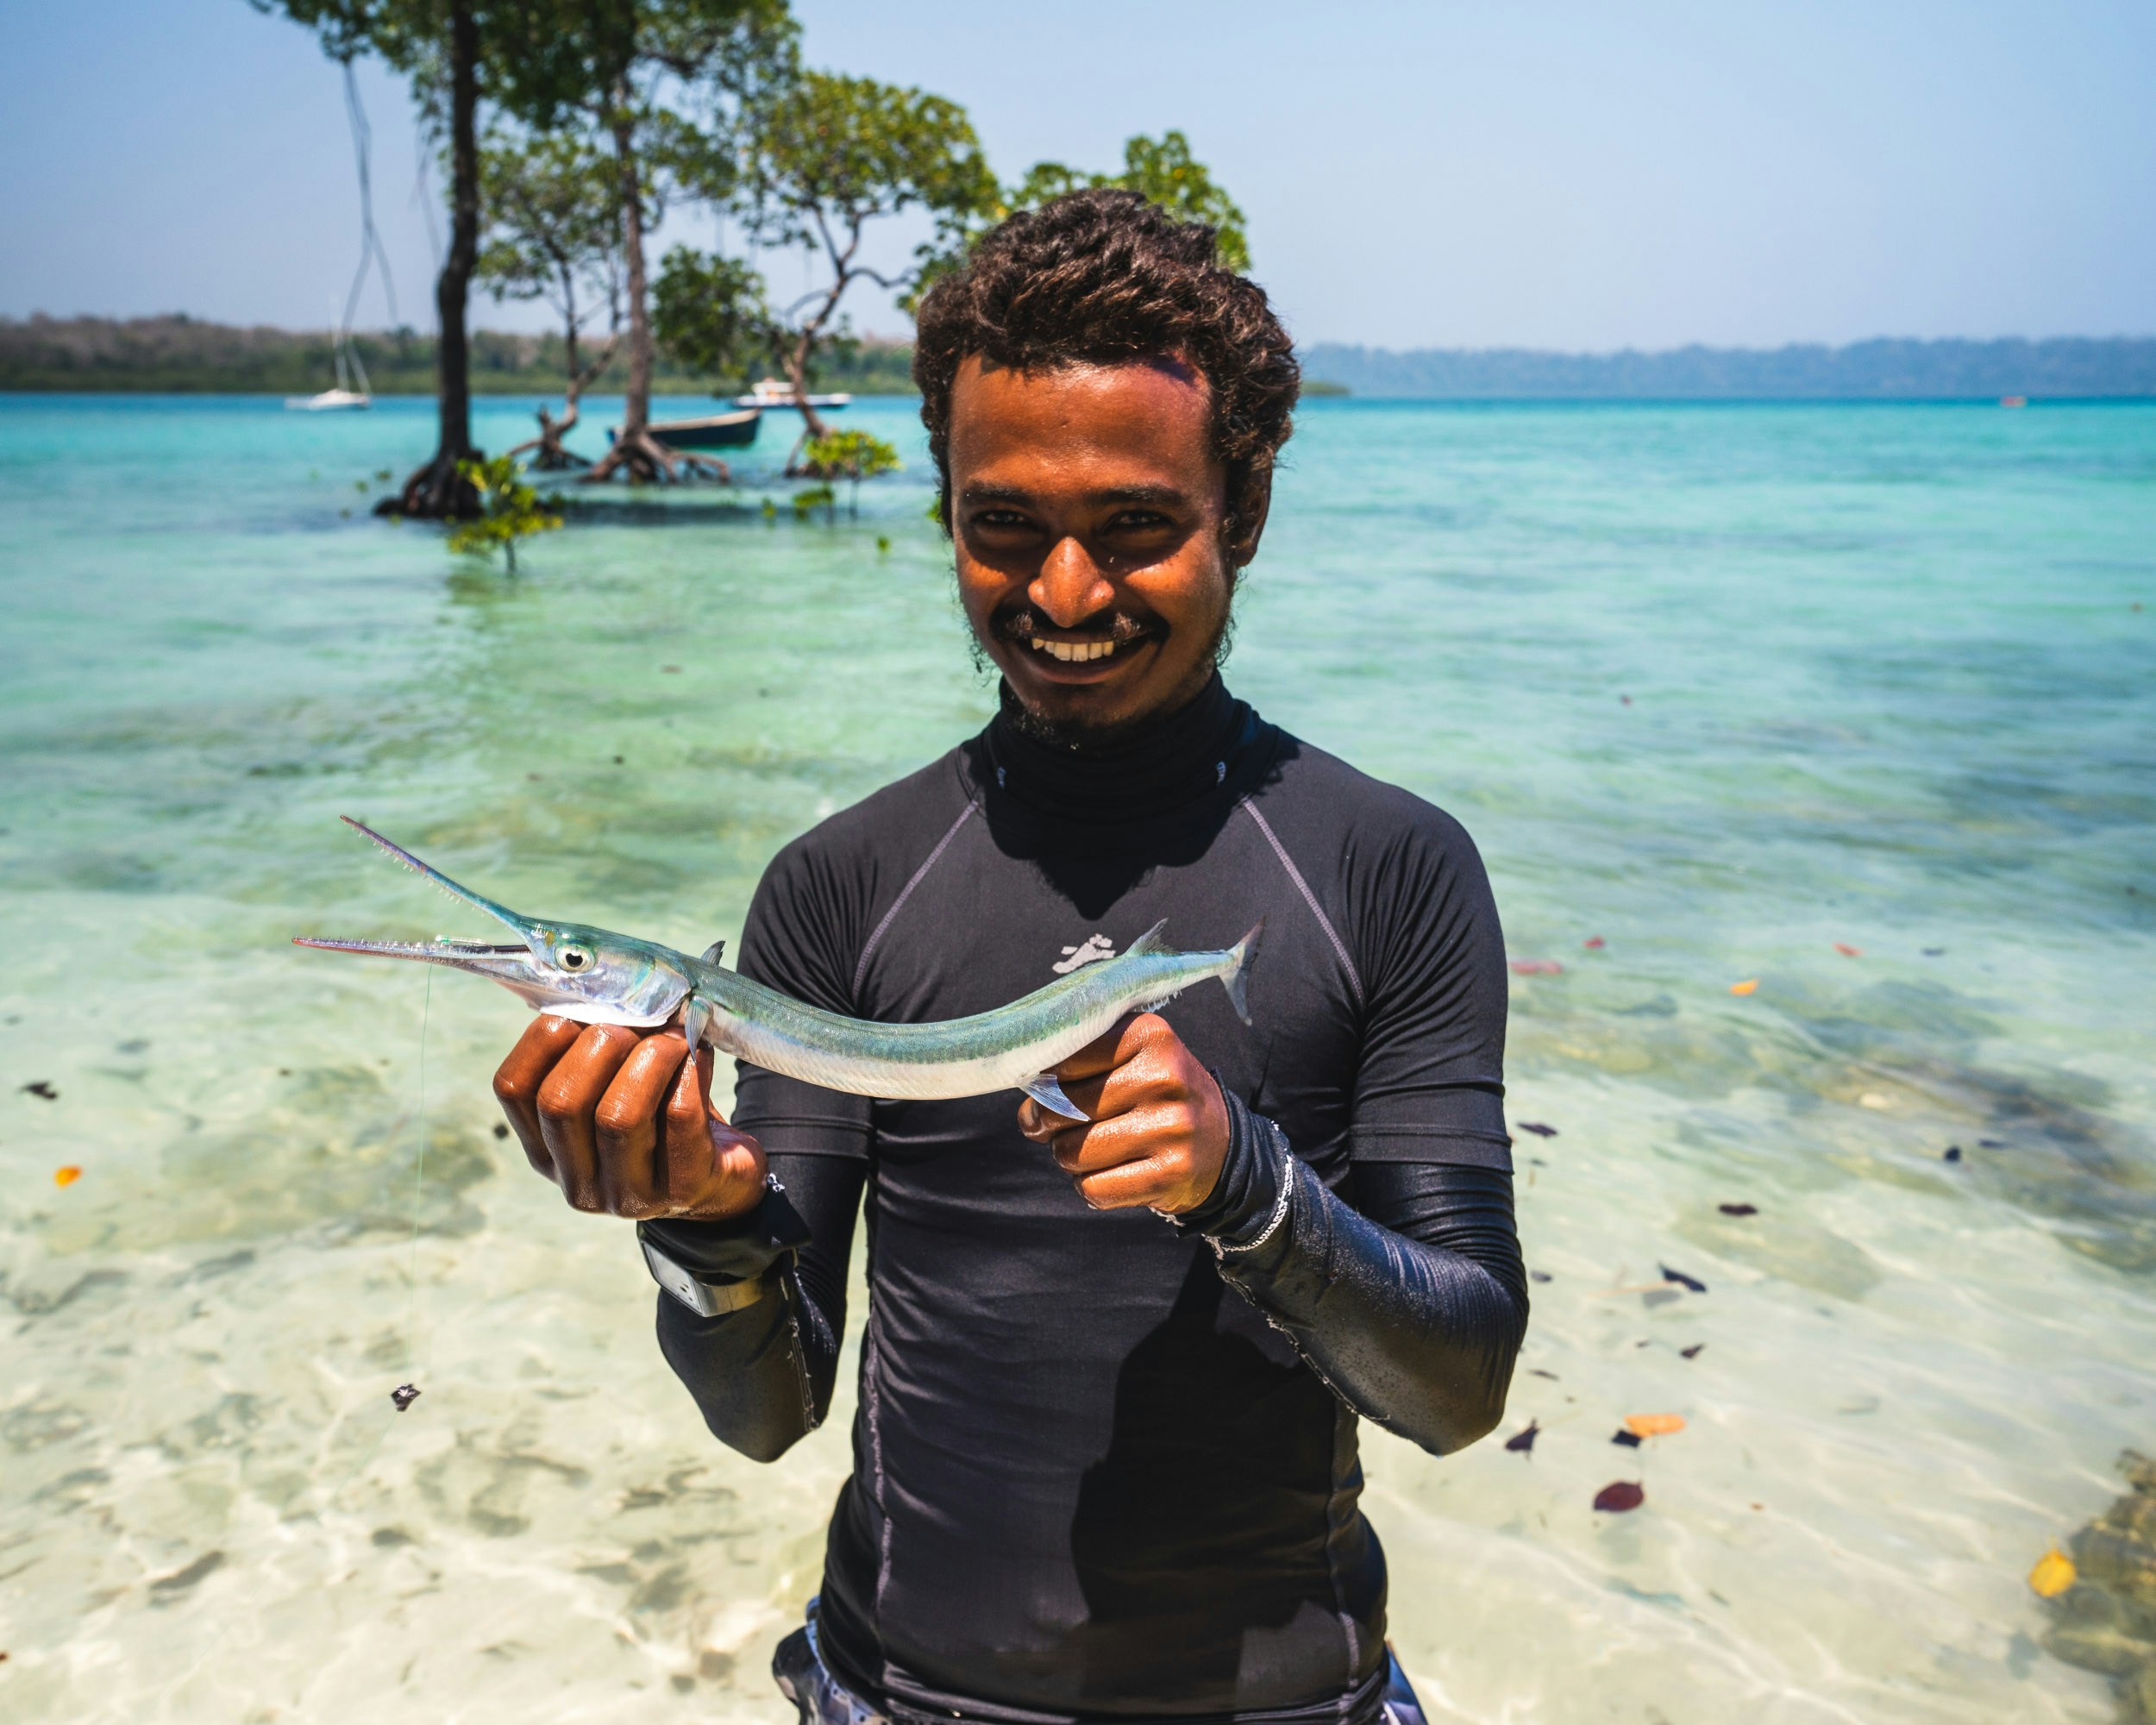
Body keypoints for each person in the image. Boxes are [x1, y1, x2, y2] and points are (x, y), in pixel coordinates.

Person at [490, 189, 1527, 1725]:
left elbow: (1461, 1386)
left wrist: (1245, 1185)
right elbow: (768, 1412)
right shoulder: (843, 887)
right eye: (1004, 527)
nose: (1061, 595)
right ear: (948, 511)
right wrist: (700, 1220)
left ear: (1240, 513)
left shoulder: (1389, 867)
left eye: (1135, 527)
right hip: (898, 1696)